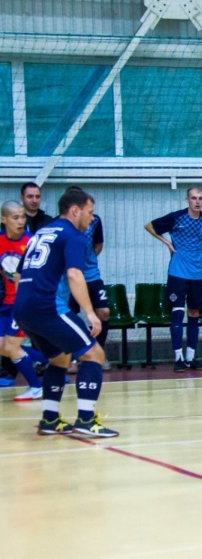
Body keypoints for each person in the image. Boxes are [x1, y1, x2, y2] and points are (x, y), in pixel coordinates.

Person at [13, 188, 117, 436]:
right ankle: (86, 419)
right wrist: (90, 313)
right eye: (90, 212)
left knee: (59, 359)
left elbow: (18, 274)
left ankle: (49, 419)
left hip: (23, 307)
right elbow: (74, 274)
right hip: (48, 306)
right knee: (94, 355)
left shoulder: (41, 233)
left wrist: (27, 304)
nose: (92, 218)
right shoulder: (74, 236)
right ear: (75, 210)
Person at [145, 187, 202, 372]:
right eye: (193, 198)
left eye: (200, 198)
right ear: (187, 199)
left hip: (198, 273)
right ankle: (178, 358)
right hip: (178, 272)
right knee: (178, 313)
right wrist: (167, 242)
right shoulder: (176, 217)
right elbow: (149, 226)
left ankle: (190, 358)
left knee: (194, 313)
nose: (197, 201)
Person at [0, 201, 48, 400]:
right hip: (5, 303)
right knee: (3, 347)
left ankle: (36, 387)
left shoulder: (31, 242)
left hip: (24, 303)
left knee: (11, 347)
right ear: (4, 220)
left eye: (23, 217)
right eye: (15, 217)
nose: (21, 221)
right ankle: (53, 358)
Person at [64, 186, 110, 373]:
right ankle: (73, 356)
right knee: (70, 315)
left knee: (104, 312)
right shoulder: (62, 225)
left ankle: (98, 353)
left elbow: (98, 244)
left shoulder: (94, 220)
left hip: (91, 274)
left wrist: (87, 259)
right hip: (69, 277)